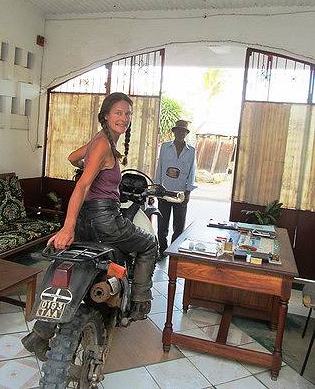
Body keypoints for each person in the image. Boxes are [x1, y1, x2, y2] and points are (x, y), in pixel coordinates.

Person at [22, 92, 157, 360]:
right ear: (106, 114)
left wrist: (89, 156)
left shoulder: (100, 141)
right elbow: (82, 184)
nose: (124, 118)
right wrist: (67, 227)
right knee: (149, 244)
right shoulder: (103, 145)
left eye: (128, 114)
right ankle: (140, 303)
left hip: (88, 221)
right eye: (118, 112)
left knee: (82, 263)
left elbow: (73, 157)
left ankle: (41, 333)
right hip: (105, 219)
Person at [155, 119, 197, 258]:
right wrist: (157, 187)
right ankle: (163, 249)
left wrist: (188, 192)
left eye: (183, 131)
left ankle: (173, 250)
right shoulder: (165, 147)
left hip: (181, 194)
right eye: (178, 130)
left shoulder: (191, 151)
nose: (180, 133)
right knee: (162, 225)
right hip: (164, 192)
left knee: (179, 227)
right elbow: (159, 167)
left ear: (186, 133)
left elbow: (192, 172)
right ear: (174, 132)